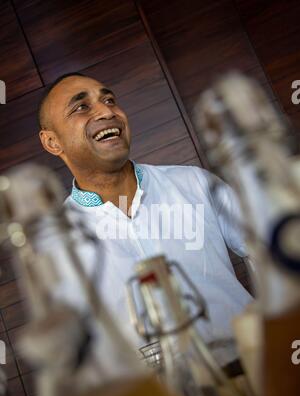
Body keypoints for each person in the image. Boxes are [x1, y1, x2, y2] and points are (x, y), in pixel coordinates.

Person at [38, 72, 253, 365]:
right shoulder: (56, 244)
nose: (106, 111)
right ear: (52, 142)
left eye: (109, 100)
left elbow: (276, 252)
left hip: (256, 368)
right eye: (82, 107)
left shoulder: (194, 184)